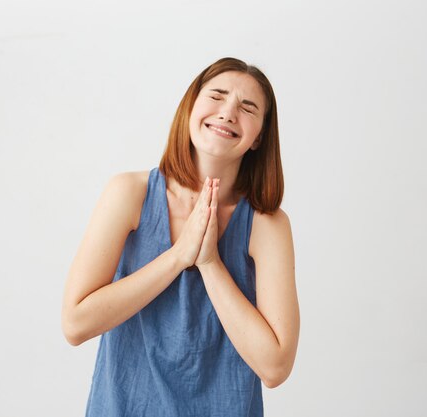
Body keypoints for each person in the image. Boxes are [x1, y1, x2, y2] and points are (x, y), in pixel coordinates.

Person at [61, 57, 300, 417]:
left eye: (247, 108)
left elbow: (275, 367)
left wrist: (209, 262)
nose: (228, 112)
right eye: (217, 96)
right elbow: (76, 324)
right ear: (191, 108)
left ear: (259, 138)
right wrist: (177, 256)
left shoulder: (269, 225)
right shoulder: (129, 193)